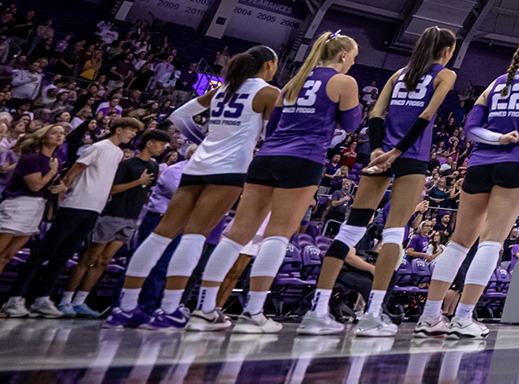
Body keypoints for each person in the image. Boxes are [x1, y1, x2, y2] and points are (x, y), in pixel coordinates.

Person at [195, 32, 364, 334]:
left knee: (237, 233)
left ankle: (204, 309)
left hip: (267, 157)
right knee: (277, 235)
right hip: (303, 160)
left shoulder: (292, 82)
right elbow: (352, 124)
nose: (353, 62)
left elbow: (271, 126)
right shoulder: (343, 82)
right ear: (342, 56)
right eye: (353, 56)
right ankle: (253, 313)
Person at [106, 46, 280, 329]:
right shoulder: (268, 93)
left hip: (197, 165)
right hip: (230, 168)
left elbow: (178, 117)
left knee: (161, 235)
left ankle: (125, 308)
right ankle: (170, 309)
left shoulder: (223, 89)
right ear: (270, 66)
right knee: (194, 237)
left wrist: (202, 139)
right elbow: (273, 136)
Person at [302, 27, 459, 337]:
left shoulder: (398, 74)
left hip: (380, 153)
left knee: (351, 227)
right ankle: (372, 314)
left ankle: (316, 310)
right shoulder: (445, 75)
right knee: (394, 233)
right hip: (411, 155)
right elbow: (427, 115)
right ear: (447, 51)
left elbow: (375, 113)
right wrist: (399, 151)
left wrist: (377, 149)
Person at [416, 34, 519, 339]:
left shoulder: (496, 84)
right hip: (516, 164)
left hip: (480, 165)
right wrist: (514, 135)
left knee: (457, 243)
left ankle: (430, 316)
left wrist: (497, 137)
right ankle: (463, 318)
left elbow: (470, 129)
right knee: (492, 242)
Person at [6, 115, 141, 319]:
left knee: (64, 255)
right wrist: (65, 186)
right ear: (119, 129)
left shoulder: (118, 153)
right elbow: (78, 168)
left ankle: (42, 298)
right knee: (45, 251)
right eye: (131, 130)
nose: (133, 135)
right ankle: (16, 297)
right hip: (76, 203)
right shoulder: (99, 146)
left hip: (95, 208)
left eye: (135, 132)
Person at [63, 128, 171, 316]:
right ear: (149, 143)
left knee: (104, 261)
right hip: (112, 214)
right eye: (161, 144)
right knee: (89, 258)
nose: (163, 148)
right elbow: (111, 189)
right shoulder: (127, 165)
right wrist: (138, 182)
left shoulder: (153, 167)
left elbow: (146, 191)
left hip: (131, 217)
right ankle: (66, 299)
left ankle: (81, 300)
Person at [0, 123, 67, 289]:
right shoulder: (31, 158)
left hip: (37, 206)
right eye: (54, 133)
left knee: (7, 256)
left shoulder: (55, 161)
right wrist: (51, 172)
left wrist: (60, 186)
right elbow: (35, 185)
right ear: (43, 137)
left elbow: (50, 186)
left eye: (62, 133)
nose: (59, 136)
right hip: (18, 204)